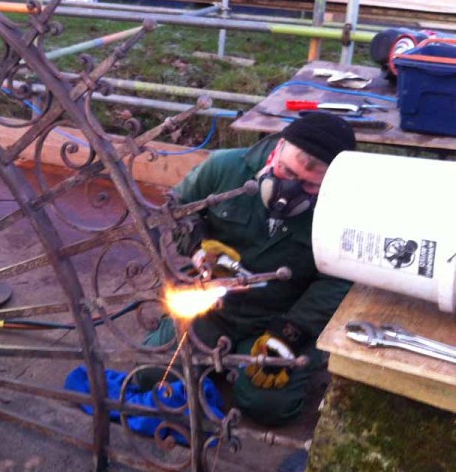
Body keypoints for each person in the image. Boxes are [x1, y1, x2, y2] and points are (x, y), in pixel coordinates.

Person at [139, 113, 357, 426]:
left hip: (275, 318)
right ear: (278, 148)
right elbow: (177, 211)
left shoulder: (345, 207)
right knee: (148, 375)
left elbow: (338, 281)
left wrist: (291, 333)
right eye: (285, 170)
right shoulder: (224, 167)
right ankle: (212, 361)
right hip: (212, 308)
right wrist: (199, 247)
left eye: (310, 185)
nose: (289, 190)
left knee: (266, 405)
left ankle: (243, 368)